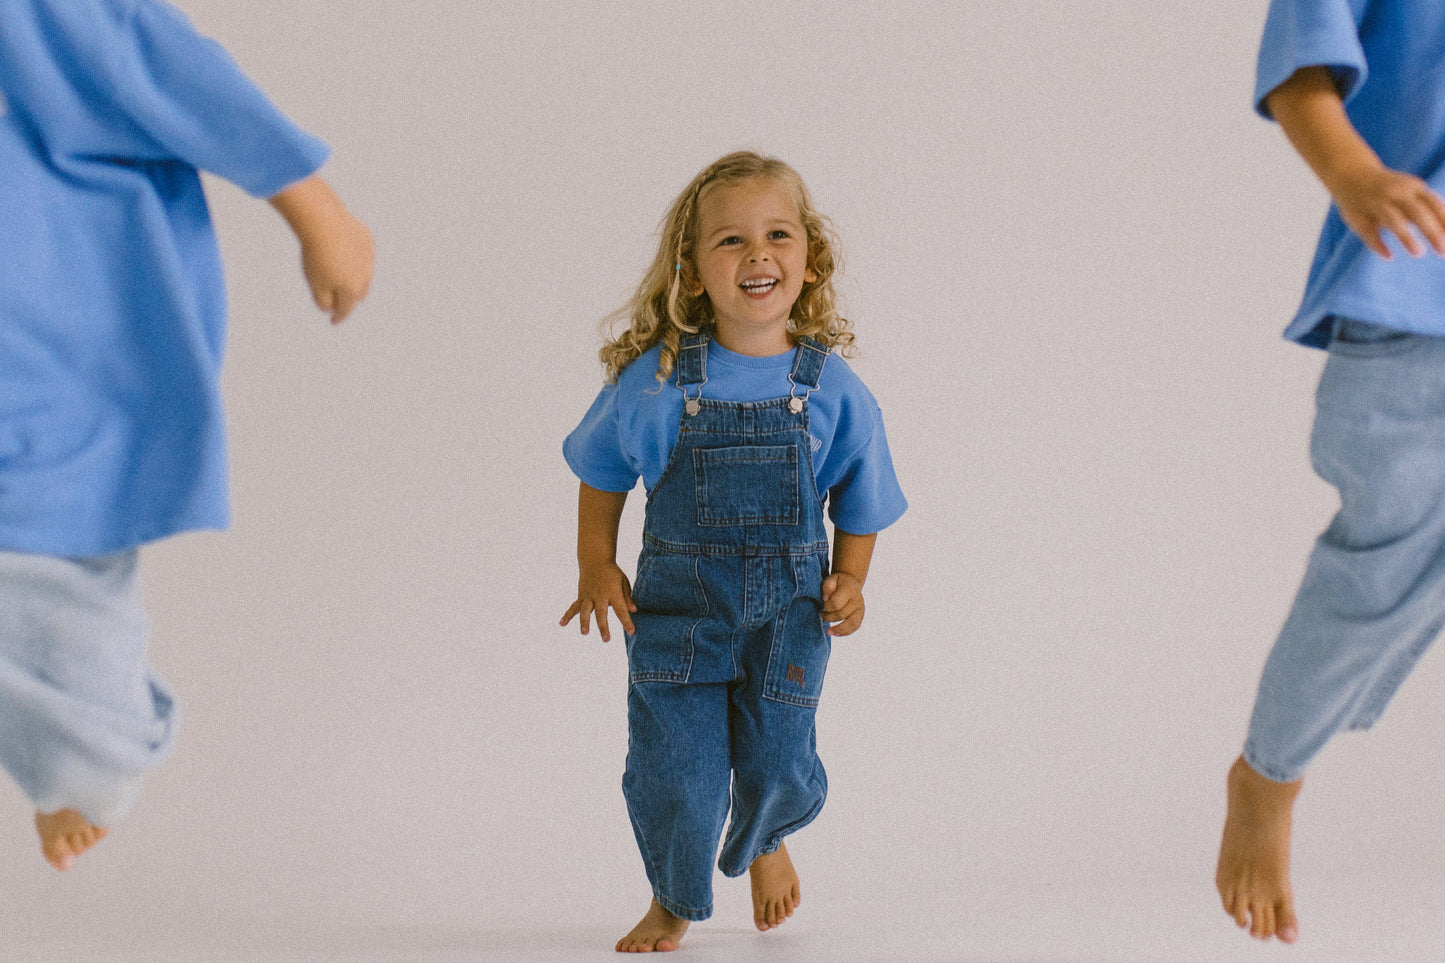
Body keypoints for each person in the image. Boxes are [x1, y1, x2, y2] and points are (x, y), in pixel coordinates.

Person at [0, 0, 374, 871]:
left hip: (59, 324)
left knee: (47, 554)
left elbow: (166, 67)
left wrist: (312, 204)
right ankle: (79, 745)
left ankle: (86, 751)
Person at [560, 151, 905, 952]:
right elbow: (602, 470)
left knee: (779, 755)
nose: (757, 254)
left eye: (777, 234)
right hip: (678, 615)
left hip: (787, 618)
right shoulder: (655, 379)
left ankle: (763, 837)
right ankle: (672, 895)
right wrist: (593, 560)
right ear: (690, 272)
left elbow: (864, 495)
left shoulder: (831, 389)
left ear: (809, 259)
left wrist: (850, 576)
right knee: (676, 769)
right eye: (729, 241)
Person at [1216, 0, 1445, 943]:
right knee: (1378, 569)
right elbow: (1299, 64)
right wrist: (1352, 173)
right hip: (1412, 293)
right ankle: (1269, 774)